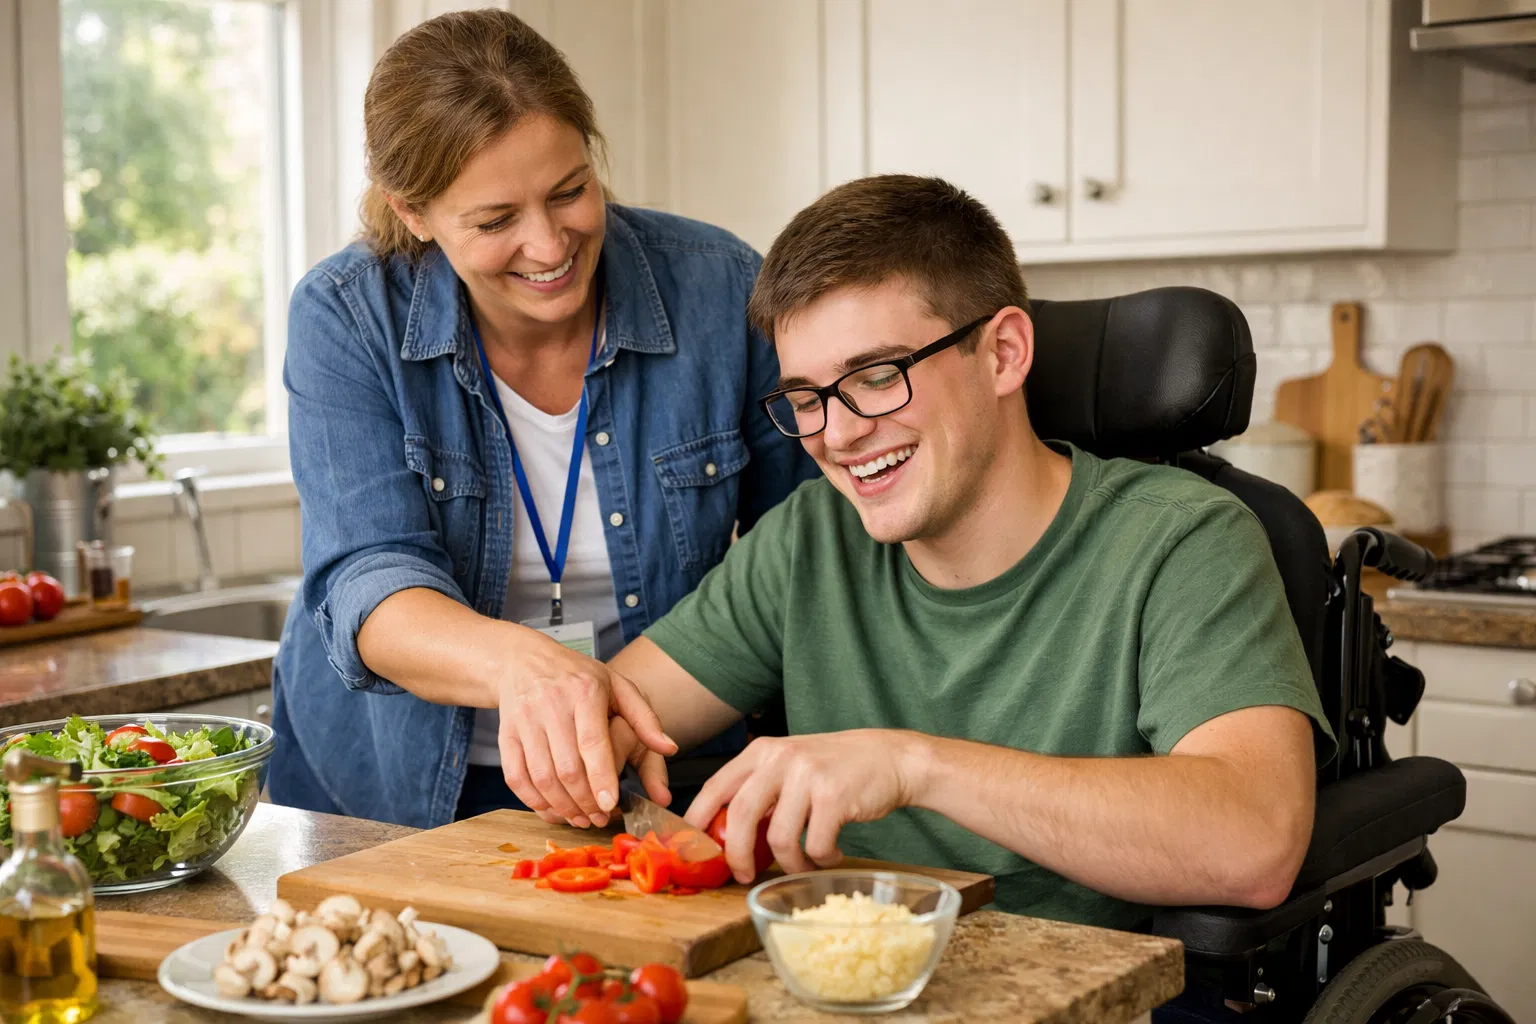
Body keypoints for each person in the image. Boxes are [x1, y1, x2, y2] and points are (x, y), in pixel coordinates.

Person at [584, 173, 1338, 939]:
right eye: (807, 398)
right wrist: (567, 714)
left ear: (1005, 353)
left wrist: (912, 767)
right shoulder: (811, 536)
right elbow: (617, 711)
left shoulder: (1182, 538)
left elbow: (1254, 843)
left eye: (877, 376)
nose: (836, 437)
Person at [268, 9, 816, 829]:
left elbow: (807, 547)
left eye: (570, 192)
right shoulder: (347, 317)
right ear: (412, 213)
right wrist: (526, 667)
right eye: (495, 221)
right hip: (397, 786)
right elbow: (367, 579)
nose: (550, 244)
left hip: (656, 762)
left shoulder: (719, 288)